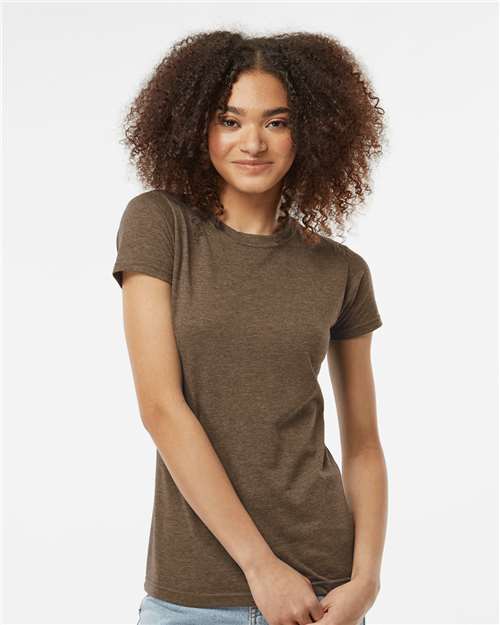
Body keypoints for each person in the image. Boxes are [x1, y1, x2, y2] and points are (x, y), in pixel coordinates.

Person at [112, 29, 388, 625]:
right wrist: (261, 568)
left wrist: (365, 581)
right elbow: (161, 408)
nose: (253, 142)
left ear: (311, 133)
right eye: (230, 120)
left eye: (277, 122)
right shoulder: (159, 225)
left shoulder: (341, 270)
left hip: (324, 590)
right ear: (195, 127)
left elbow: (363, 442)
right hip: (195, 594)